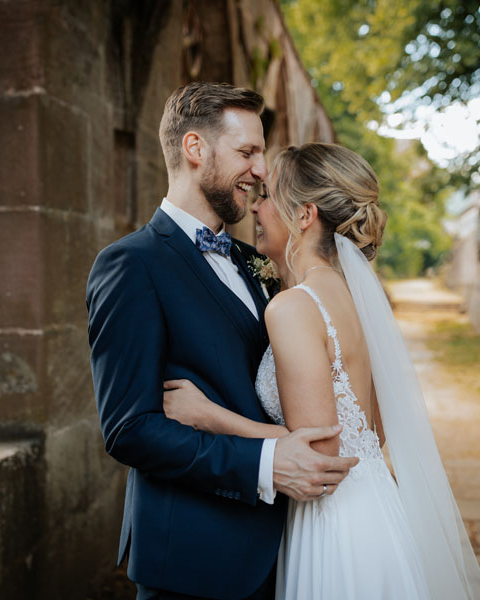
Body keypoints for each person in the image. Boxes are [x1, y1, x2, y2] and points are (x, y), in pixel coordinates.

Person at [163, 143, 480, 599]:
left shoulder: (295, 307)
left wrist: (208, 415)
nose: (256, 206)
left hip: (335, 527)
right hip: (376, 510)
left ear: (304, 216)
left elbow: (322, 451)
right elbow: (371, 434)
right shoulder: (355, 298)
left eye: (269, 195)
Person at [86, 83, 359, 600]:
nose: (261, 171)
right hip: (195, 558)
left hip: (286, 548)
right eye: (248, 153)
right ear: (195, 149)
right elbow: (130, 430)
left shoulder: (255, 261)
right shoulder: (131, 265)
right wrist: (265, 464)